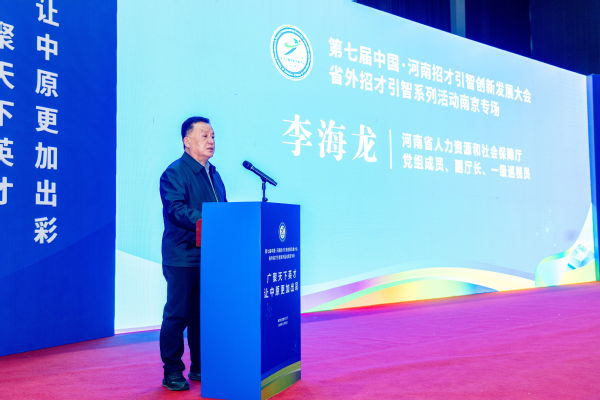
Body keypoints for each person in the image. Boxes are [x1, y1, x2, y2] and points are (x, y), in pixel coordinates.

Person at [159, 116, 227, 391]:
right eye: (204, 135)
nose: (211, 141)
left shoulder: (214, 174)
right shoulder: (174, 173)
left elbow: (223, 210)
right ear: (187, 141)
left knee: (202, 315)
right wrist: (211, 221)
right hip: (182, 256)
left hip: (210, 257)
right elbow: (176, 210)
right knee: (178, 315)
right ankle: (172, 371)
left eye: (213, 136)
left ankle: (200, 366)